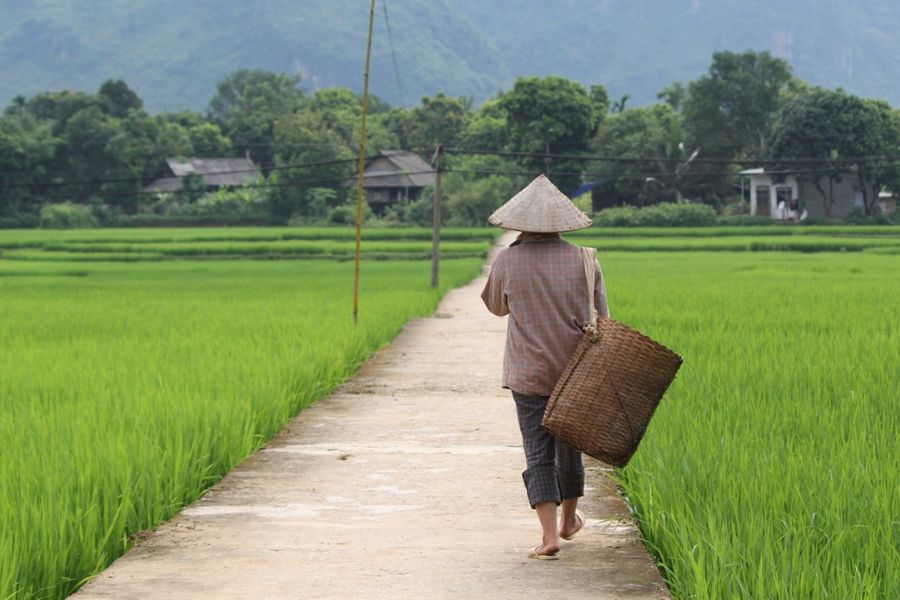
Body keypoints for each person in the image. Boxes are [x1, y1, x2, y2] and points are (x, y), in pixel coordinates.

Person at [480, 174, 610, 560]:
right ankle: (571, 521)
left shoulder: (508, 259)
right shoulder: (585, 259)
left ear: (520, 224)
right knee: (570, 447)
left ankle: (549, 535)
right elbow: (603, 317)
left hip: (528, 374)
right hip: (575, 372)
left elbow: (496, 306)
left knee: (537, 451)